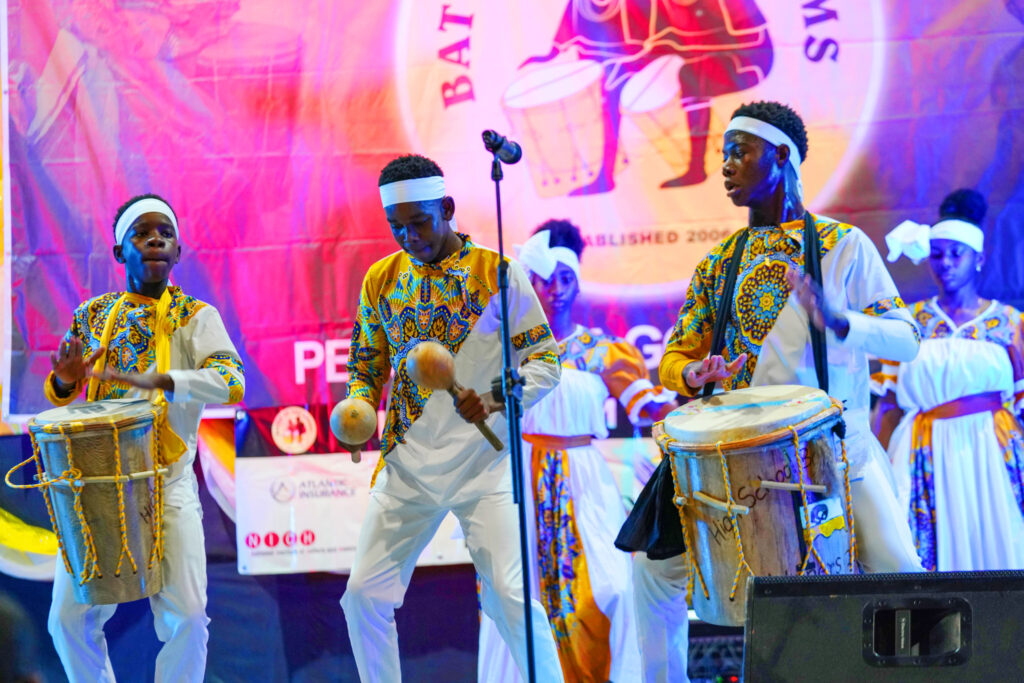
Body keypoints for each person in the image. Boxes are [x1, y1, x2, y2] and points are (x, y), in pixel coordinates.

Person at [634, 101, 924, 682]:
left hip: (832, 453)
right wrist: (691, 375)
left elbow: (907, 339)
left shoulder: (844, 245)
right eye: (723, 154)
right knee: (651, 571)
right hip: (732, 460)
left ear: (781, 156)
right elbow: (673, 357)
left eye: (739, 152)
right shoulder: (719, 262)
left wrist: (840, 320)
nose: (725, 165)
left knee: (903, 577)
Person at [338, 154, 565, 683]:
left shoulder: (497, 273)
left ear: (447, 208)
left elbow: (546, 362)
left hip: (485, 463)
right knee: (361, 596)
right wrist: (359, 407)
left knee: (512, 595)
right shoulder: (380, 278)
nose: (409, 236)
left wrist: (491, 398)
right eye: (397, 227)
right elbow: (367, 364)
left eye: (419, 222)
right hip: (408, 466)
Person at [45, 193, 246, 682]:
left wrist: (168, 380)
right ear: (120, 253)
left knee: (189, 617)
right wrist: (68, 380)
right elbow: (64, 394)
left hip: (168, 483)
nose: (156, 239)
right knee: (67, 620)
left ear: (178, 252)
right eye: (141, 233)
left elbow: (232, 380)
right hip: (95, 486)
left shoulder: (197, 316)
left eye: (166, 233)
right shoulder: (93, 315)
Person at [477, 219, 676, 682]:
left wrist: (691, 388)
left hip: (585, 482)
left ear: (578, 282)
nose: (557, 290)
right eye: (546, 280)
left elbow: (648, 406)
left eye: (566, 279)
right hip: (521, 483)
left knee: (611, 588)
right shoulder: (510, 353)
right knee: (517, 596)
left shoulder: (601, 350)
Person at [874, 189, 1024, 571]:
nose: (947, 264)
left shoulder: (1010, 323)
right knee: (927, 558)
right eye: (938, 255)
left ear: (979, 258)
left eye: (958, 254)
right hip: (924, 450)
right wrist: (875, 474)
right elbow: (888, 404)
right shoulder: (909, 322)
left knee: (1002, 544)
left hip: (993, 449)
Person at [520, 0, 773, 194]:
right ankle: (605, 175)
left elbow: (752, 38)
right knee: (612, 87)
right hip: (683, 54)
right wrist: (551, 54)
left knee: (691, 76)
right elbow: (652, 42)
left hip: (745, 61)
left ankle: (696, 168)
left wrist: (674, 48)